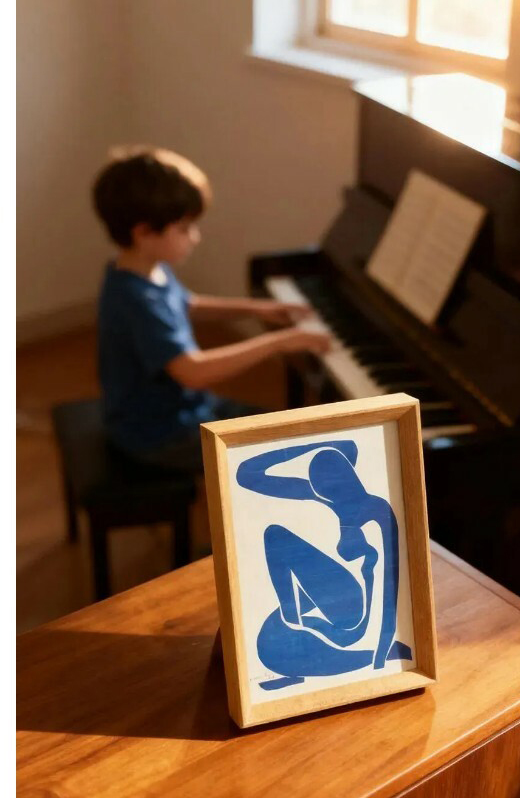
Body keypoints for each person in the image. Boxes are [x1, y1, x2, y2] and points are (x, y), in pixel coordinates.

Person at [93, 146, 330, 471]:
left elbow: (188, 304)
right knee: (287, 451)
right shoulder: (137, 300)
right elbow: (193, 372)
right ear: (143, 232)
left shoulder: (143, 269)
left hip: (187, 410)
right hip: (159, 435)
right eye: (184, 229)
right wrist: (278, 342)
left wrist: (255, 309)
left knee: (291, 429)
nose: (195, 238)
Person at [236, 439, 412, 689]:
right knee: (268, 643)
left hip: (360, 618)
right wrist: (315, 442)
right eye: (322, 490)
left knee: (276, 537)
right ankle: (294, 630)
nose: (324, 494)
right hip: (341, 603)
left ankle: (296, 630)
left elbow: (390, 583)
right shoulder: (328, 497)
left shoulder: (376, 512)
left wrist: (380, 654)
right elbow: (247, 475)